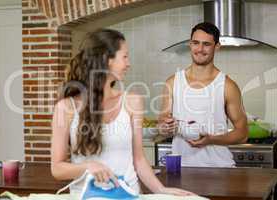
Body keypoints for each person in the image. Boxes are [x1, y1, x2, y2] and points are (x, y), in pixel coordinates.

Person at [51, 28, 194, 196]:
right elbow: (57, 168)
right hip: (86, 196)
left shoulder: (132, 102)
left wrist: (161, 190)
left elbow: (139, 159)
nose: (128, 63)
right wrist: (88, 166)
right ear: (106, 59)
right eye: (124, 56)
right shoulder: (66, 108)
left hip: (128, 195)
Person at [158, 22, 248, 168]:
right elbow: (162, 125)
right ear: (190, 44)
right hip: (182, 168)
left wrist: (211, 140)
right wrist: (165, 127)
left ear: (217, 46)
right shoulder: (173, 82)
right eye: (195, 43)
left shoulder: (227, 86)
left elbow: (242, 134)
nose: (199, 49)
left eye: (206, 44)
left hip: (219, 168)